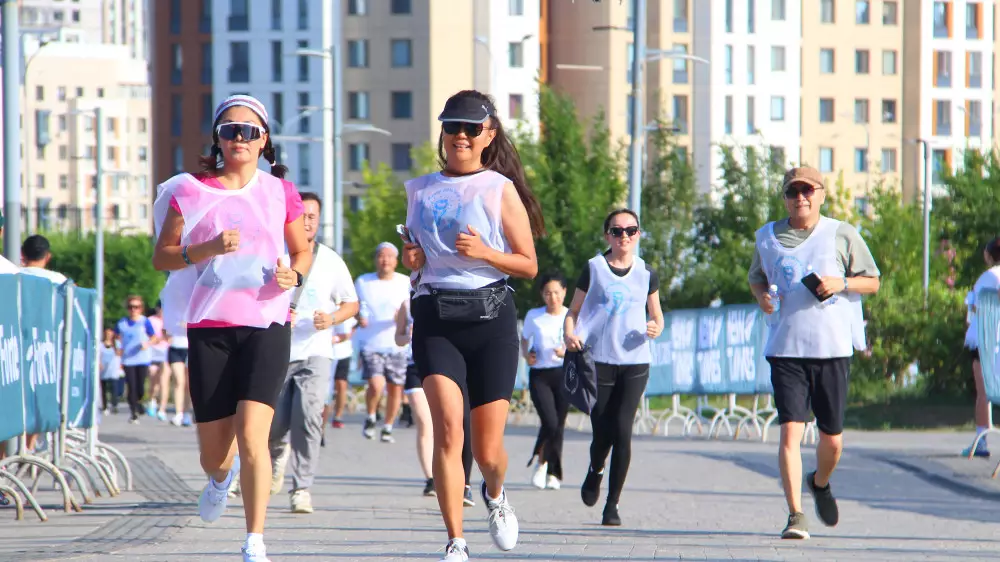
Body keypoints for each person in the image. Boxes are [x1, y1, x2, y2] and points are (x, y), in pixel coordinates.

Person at [152, 94, 312, 562]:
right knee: (214, 455)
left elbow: (302, 251)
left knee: (253, 434)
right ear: (218, 140)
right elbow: (162, 256)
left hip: (267, 321)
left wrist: (295, 276)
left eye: (249, 131)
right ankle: (220, 480)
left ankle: (254, 539)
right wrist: (207, 249)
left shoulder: (281, 192)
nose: (239, 138)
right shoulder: (190, 191)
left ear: (264, 141)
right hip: (210, 326)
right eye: (230, 130)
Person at [403, 90, 543, 561]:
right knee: (448, 431)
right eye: (452, 127)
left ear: (489, 135)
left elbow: (528, 264)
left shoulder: (498, 188)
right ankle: (455, 541)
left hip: (490, 320)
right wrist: (412, 259)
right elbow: (418, 258)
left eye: (470, 128)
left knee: (488, 451)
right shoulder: (419, 189)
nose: (459, 136)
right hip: (436, 318)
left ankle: (495, 494)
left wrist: (485, 253)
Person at [748, 166, 880, 540]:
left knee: (832, 440)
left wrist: (842, 283)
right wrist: (763, 298)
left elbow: (873, 281)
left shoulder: (841, 233)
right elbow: (757, 278)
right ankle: (795, 515)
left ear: (821, 194)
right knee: (790, 433)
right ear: (784, 198)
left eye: (808, 191)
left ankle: (819, 482)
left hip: (831, 348)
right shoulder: (767, 238)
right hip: (785, 349)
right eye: (793, 192)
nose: (800, 198)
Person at [563, 209, 664, 527]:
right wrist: (569, 334)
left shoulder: (646, 273)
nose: (624, 236)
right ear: (607, 235)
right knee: (602, 431)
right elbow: (573, 311)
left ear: (638, 235)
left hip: (635, 361)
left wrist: (655, 327)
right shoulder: (593, 268)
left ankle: (612, 504)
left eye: (631, 230)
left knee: (622, 430)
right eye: (617, 231)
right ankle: (595, 469)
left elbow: (657, 316)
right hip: (598, 360)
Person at [269, 191, 358, 513]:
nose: (306, 222)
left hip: (316, 352)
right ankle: (277, 455)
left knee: (308, 417)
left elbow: (351, 303)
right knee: (274, 426)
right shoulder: (275, 254)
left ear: (319, 221)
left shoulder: (331, 260)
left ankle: (302, 488)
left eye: (312, 217)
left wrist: (331, 319)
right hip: (276, 352)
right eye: (301, 216)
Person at [394, 300, 478, 504]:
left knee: (456, 424)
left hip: (446, 367)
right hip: (416, 367)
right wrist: (408, 336)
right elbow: (398, 338)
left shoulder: (449, 296)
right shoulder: (407, 303)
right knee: (426, 424)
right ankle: (431, 479)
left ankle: (461, 481)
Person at [355, 243, 411, 443]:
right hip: (371, 343)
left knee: (396, 388)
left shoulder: (405, 282)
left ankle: (387, 426)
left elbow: (411, 310)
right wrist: (358, 318)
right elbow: (354, 306)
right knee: (376, 384)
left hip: (397, 344)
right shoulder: (363, 282)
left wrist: (402, 319)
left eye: (389, 256)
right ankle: (371, 416)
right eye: (381, 255)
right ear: (375, 259)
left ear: (396, 261)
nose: (385, 260)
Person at [521, 273, 569, 490]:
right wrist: (526, 355)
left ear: (564, 292)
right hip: (540, 374)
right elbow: (524, 340)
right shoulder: (534, 315)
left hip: (564, 374)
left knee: (558, 425)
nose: (553, 298)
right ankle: (540, 463)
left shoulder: (571, 316)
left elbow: (581, 341)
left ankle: (553, 472)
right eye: (548, 293)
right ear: (542, 294)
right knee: (550, 421)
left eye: (557, 293)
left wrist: (567, 351)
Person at [962, 237, 1000, 458]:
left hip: (984, 342)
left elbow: (973, 311)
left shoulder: (987, 277)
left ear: (988, 255)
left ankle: (981, 440)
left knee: (983, 392)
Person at [115, 295, 159, 424]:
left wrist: (147, 343)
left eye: (136, 307)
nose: (133, 310)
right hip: (128, 359)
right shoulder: (122, 323)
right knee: (131, 386)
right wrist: (117, 348)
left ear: (141, 308)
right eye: (131, 307)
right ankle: (133, 412)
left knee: (140, 387)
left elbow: (154, 337)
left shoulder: (144, 321)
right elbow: (115, 336)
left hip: (142, 359)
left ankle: (139, 402)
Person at [324, 316, 356, 430]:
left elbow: (349, 331)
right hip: (325, 354)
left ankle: (338, 416)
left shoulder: (347, 309)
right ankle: (321, 427)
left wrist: (336, 339)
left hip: (343, 353)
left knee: (341, 385)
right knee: (326, 389)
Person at [163, 318, 192, 427]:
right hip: (175, 348)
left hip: (190, 347)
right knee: (179, 381)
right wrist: (167, 334)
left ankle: (187, 412)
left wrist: (188, 325)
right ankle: (178, 413)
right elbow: (164, 328)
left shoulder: (192, 309)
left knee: (188, 384)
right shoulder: (173, 311)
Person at [147, 304, 170, 419]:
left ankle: (162, 408)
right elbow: (148, 336)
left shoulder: (170, 320)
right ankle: (152, 400)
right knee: (153, 379)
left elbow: (171, 338)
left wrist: (166, 337)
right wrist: (154, 340)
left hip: (166, 353)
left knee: (164, 381)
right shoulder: (150, 320)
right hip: (153, 353)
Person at [99, 327, 123, 415]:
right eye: (107, 333)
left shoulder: (117, 344)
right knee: (104, 389)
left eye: (110, 333)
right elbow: (98, 355)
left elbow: (121, 354)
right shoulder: (100, 344)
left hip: (113, 369)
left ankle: (114, 404)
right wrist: (99, 363)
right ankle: (104, 406)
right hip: (103, 369)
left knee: (114, 388)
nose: (108, 335)